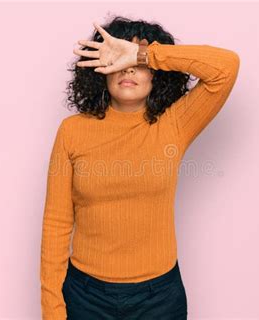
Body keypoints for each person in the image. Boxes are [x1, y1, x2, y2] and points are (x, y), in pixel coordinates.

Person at [40, 16, 240, 320]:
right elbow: (55, 224)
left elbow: (226, 67)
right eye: (117, 58)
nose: (128, 69)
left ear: (155, 74)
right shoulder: (72, 131)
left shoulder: (175, 124)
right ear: (100, 70)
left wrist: (144, 54)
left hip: (158, 298)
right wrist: (52, 311)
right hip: (85, 296)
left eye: (135, 61)